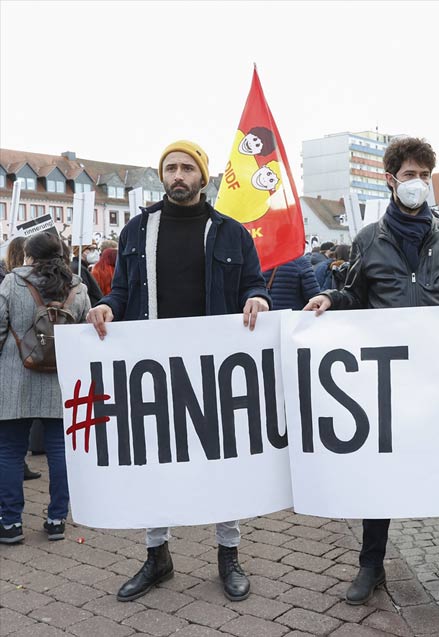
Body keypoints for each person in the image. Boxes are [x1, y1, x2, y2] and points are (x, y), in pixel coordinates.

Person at [303, 136, 439, 605]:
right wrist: (330, 299)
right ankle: (370, 565)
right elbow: (354, 293)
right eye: (410, 175)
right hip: (387, 379)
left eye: (425, 176)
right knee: (382, 473)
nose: (419, 183)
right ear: (391, 180)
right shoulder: (369, 239)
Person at [86, 140, 271, 603]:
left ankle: (229, 554)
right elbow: (122, 292)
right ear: (161, 174)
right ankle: (157, 556)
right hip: (152, 366)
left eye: (187, 167)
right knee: (155, 458)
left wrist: (258, 298)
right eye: (171, 167)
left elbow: (252, 282)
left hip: (215, 368)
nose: (178, 175)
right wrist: (106, 307)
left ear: (202, 177)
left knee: (221, 457)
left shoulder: (231, 232)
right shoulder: (136, 230)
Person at [0, 231, 90, 544]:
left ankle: (10, 523)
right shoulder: (77, 286)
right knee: (60, 452)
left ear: (29, 256)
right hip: (62, 379)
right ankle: (56, 520)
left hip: (15, 377)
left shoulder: (12, 282)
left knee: (10, 451)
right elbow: (87, 333)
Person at [1, 236, 42, 481]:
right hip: (48, 364)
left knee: (9, 444)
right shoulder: (69, 281)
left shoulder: (10, 281)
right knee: (58, 443)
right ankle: (58, 514)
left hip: (11, 365)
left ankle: (11, 515)